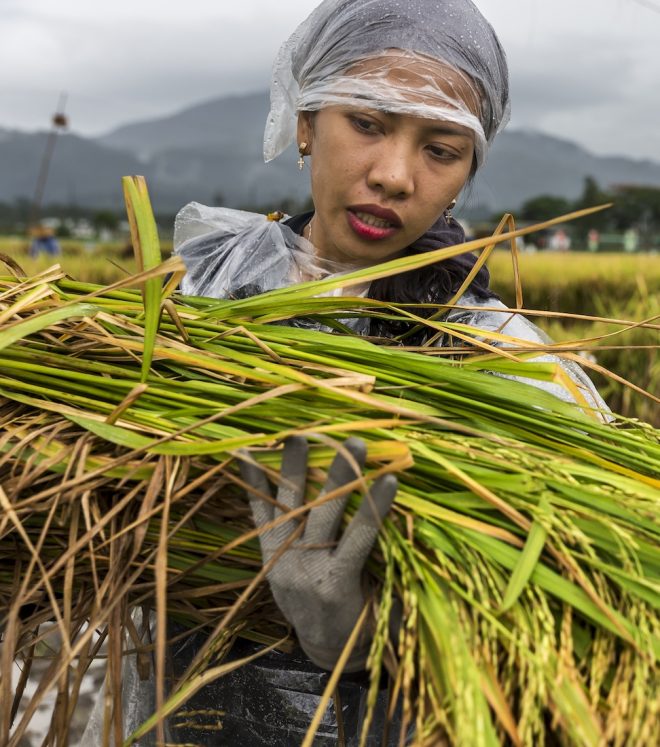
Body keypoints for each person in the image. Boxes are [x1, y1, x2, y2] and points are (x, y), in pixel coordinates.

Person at [83, 0, 608, 744]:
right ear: (304, 122)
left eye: (441, 147)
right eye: (366, 123)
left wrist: (372, 642)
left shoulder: (509, 364)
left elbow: (584, 630)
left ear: (467, 172)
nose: (394, 176)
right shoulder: (190, 311)